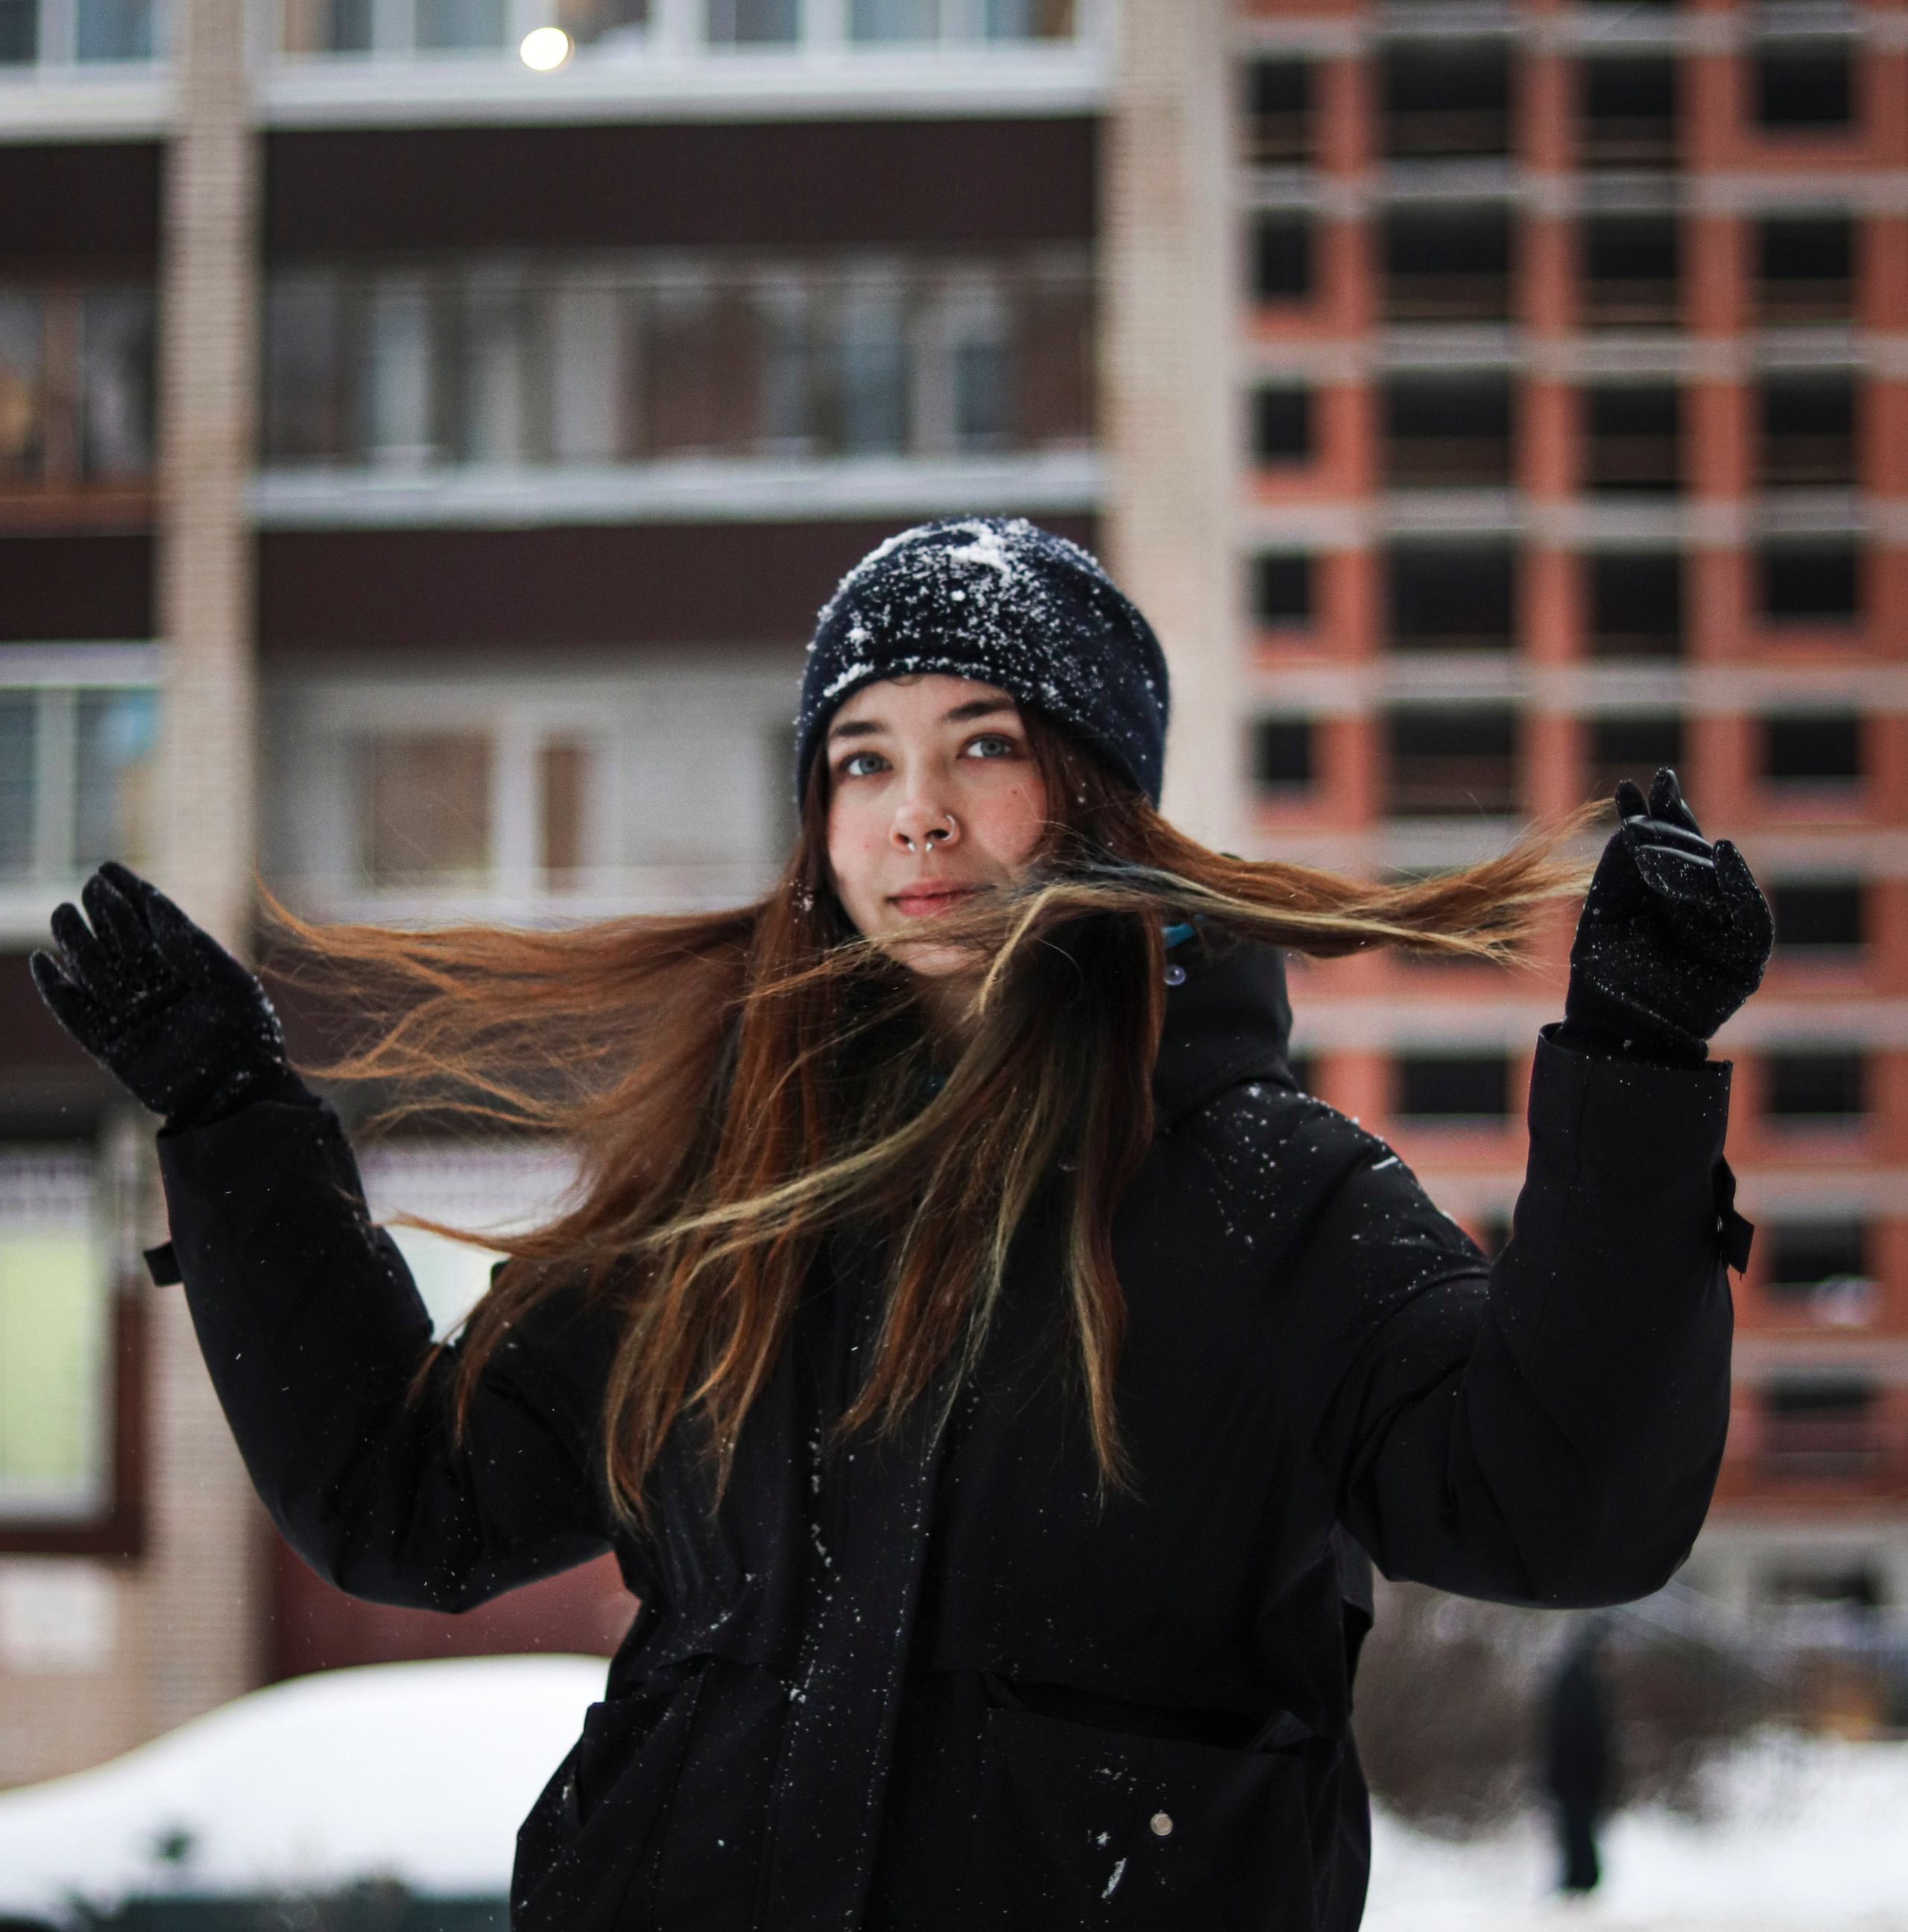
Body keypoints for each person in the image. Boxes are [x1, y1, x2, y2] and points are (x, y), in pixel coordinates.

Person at [33, 519, 1769, 1931]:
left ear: (1097, 796)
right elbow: (408, 1504)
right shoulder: (734, 1203)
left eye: (981, 747)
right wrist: (231, 1114)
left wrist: (1629, 1070)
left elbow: (1561, 1514)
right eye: (859, 761)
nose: (913, 812)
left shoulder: (1274, 1200)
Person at [1543, 1622, 1615, 1894]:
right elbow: (1574, 1734)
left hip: (1578, 1776)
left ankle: (1580, 1880)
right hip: (1575, 1776)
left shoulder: (1583, 1679)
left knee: (1578, 1829)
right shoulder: (1577, 1681)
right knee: (1575, 1830)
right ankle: (1579, 1880)